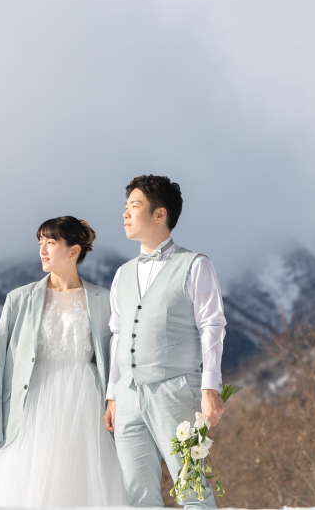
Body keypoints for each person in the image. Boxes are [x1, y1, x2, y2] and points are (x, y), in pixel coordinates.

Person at [0, 216, 128, 507]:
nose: (42, 249)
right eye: (40, 242)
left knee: (81, 477)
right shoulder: (19, 299)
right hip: (33, 400)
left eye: (51, 243)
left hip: (85, 401)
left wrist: (116, 402)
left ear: (73, 250)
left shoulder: (104, 300)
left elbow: (118, 358)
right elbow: (0, 366)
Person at [103, 175, 227, 508]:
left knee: (192, 488)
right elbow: (117, 334)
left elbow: (212, 326)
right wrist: (113, 394)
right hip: (128, 395)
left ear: (160, 214)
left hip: (175, 389)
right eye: (125, 207)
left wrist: (209, 388)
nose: (126, 214)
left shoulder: (195, 265)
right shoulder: (123, 273)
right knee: (137, 494)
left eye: (134, 206)